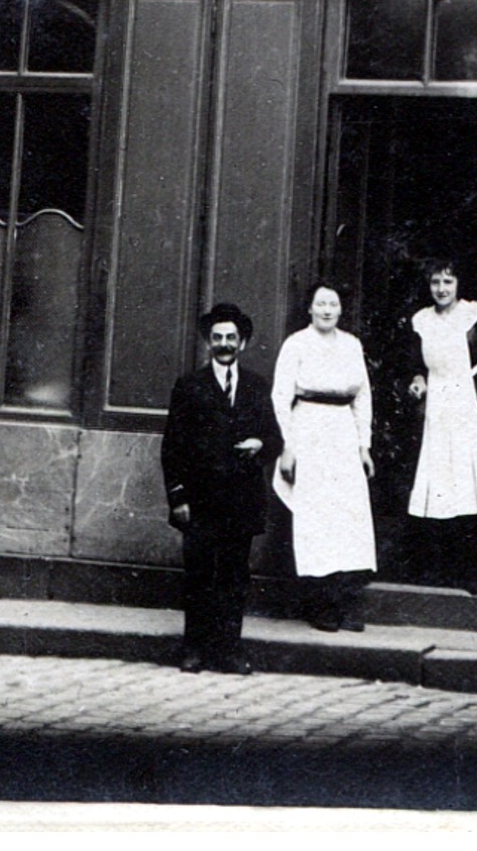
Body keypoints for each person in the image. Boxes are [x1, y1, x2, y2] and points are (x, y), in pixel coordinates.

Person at [160, 302, 283, 675]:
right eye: (217, 338)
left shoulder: (257, 386)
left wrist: (261, 445)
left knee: (233, 578)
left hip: (240, 501)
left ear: (242, 343)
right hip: (200, 500)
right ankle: (193, 649)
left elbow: (275, 438)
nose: (224, 344)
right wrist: (178, 496)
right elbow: (172, 447)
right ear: (208, 342)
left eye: (231, 338)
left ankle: (229, 651)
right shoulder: (189, 386)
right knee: (199, 575)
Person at [272, 283, 378, 632]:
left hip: (343, 433)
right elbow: (280, 397)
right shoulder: (296, 344)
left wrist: (364, 445)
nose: (327, 310)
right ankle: (319, 605)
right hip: (309, 429)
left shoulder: (351, 345)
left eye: (333, 304)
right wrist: (288, 447)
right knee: (315, 517)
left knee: (347, 517)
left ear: (341, 309)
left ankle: (343, 602)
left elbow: (363, 397)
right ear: (310, 309)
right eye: (321, 304)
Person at [400, 257, 477, 592]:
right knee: (435, 483)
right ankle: (434, 568)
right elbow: (416, 364)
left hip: (467, 404)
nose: (441, 289)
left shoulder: (474, 315)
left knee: (467, 483)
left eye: (447, 282)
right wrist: (418, 381)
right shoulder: (421, 320)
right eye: (435, 282)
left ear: (459, 284)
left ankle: (472, 572)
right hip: (435, 408)